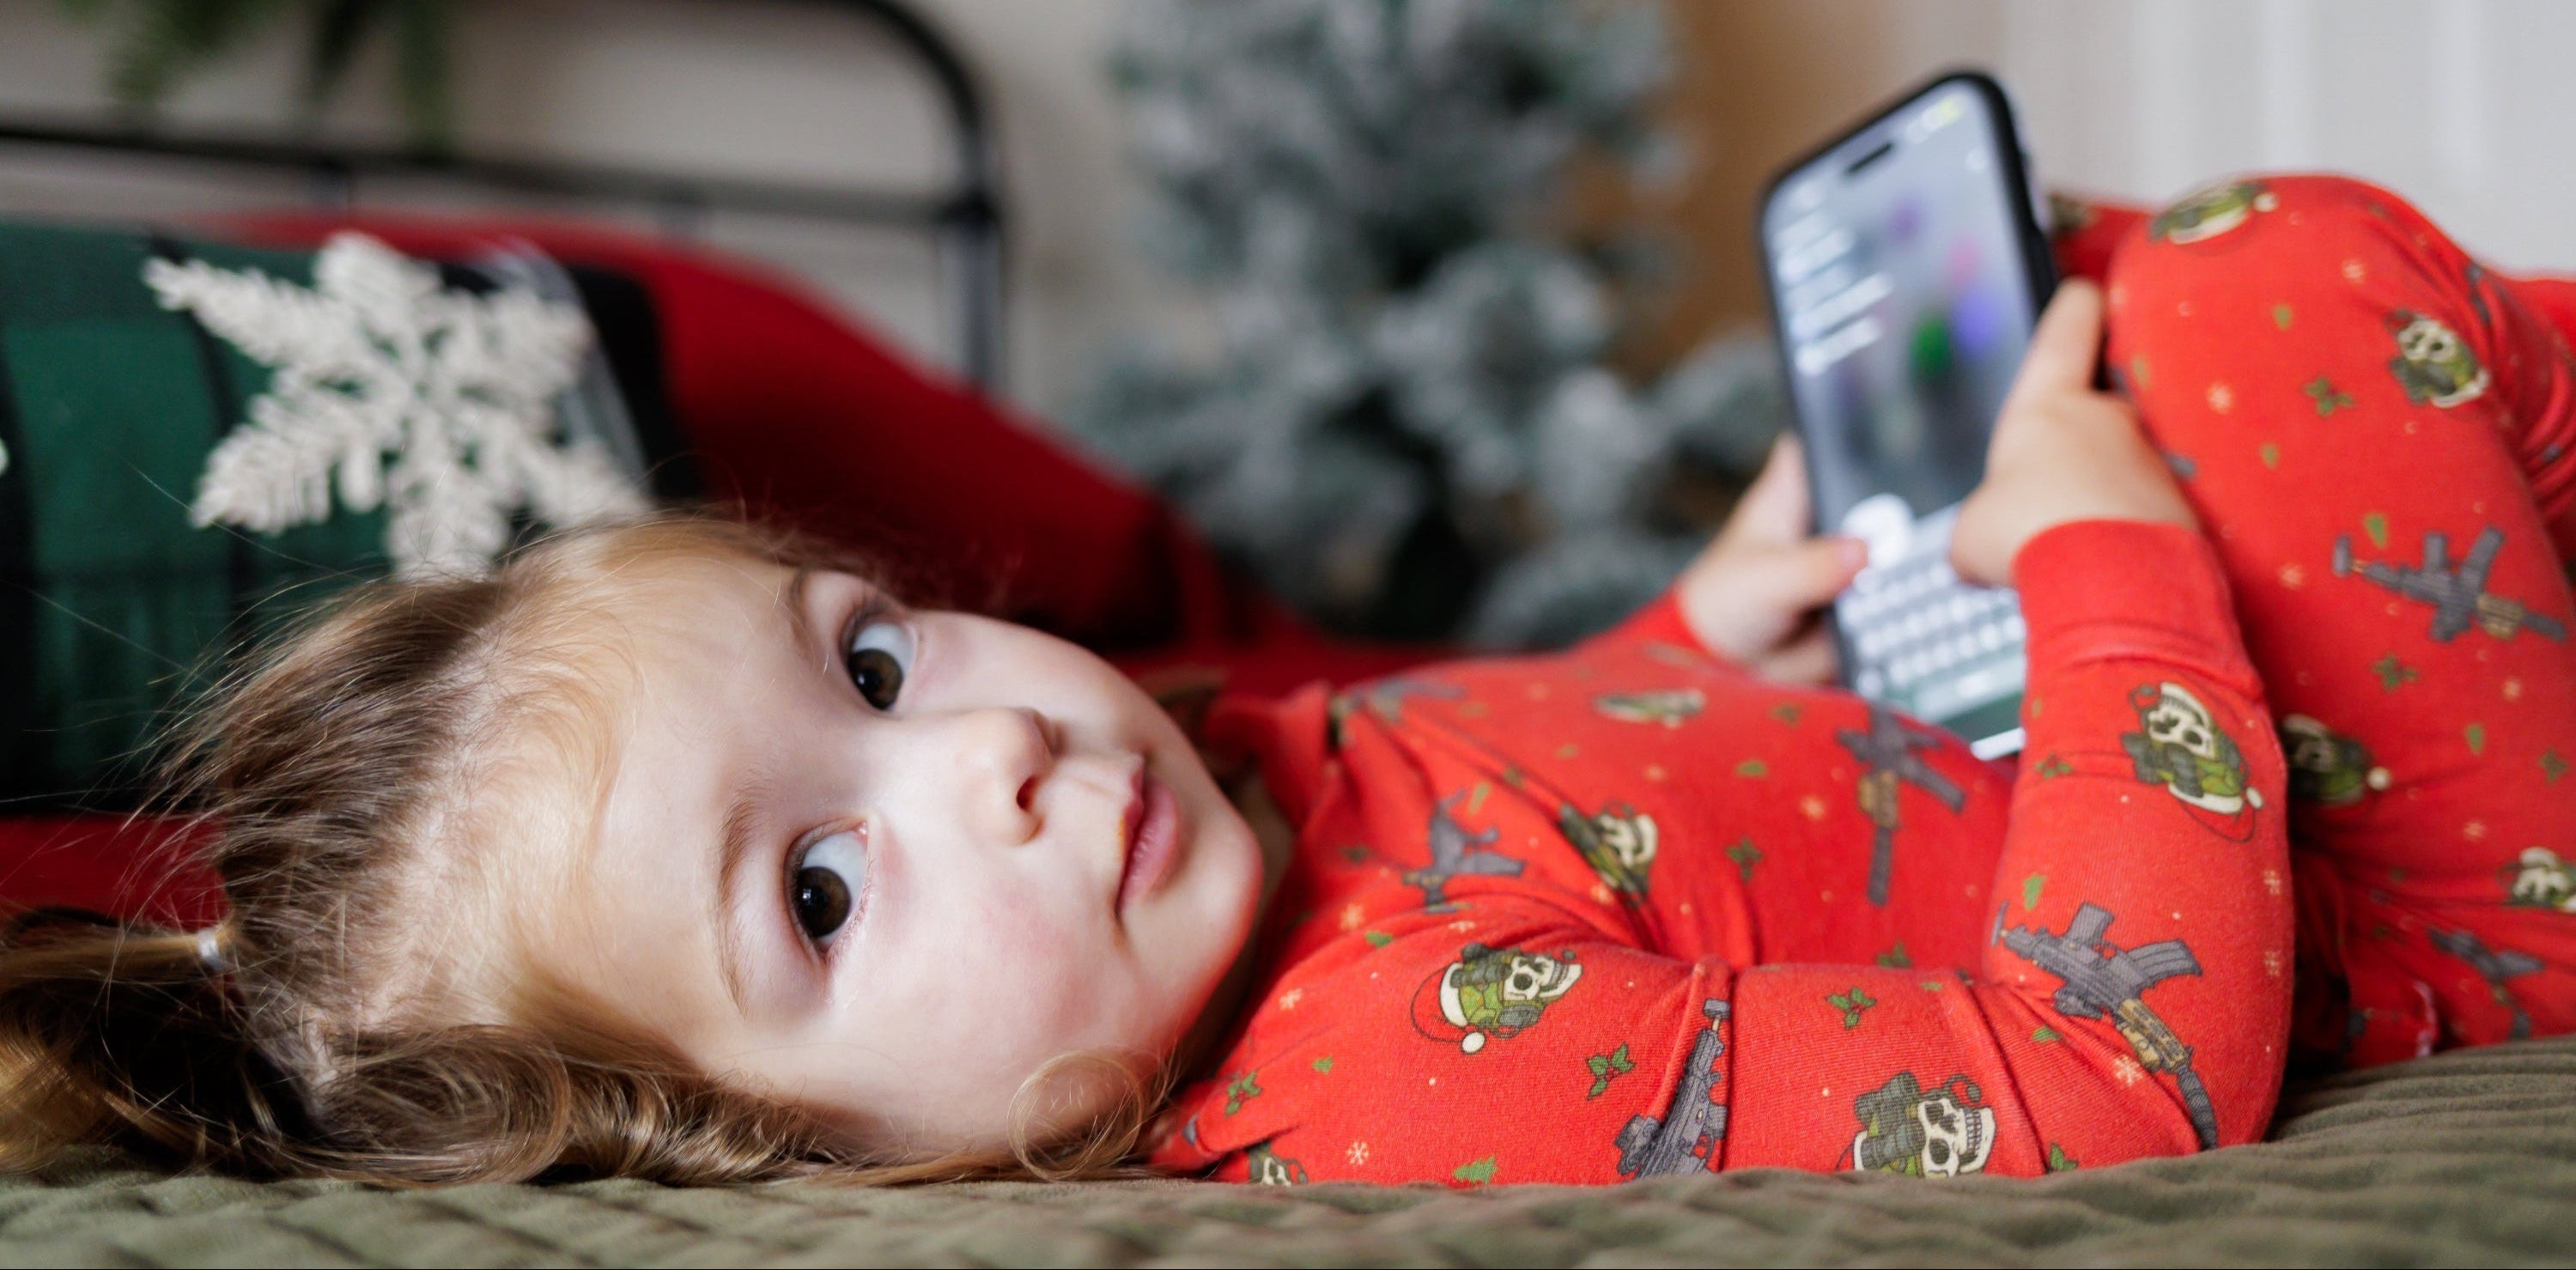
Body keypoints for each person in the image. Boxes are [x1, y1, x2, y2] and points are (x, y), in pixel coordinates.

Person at [1, 175, 2567, 1185]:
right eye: (816, 883)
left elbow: (1520, 770)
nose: (985, 751)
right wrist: (2112, 579)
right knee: (2242, 300)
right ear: (786, 1165)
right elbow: (2102, 1083)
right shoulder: (1395, 1066)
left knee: (2066, 280)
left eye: (874, 660)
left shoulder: (1207, 785)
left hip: (2066, 744)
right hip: (2422, 921)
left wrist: (1699, 631)